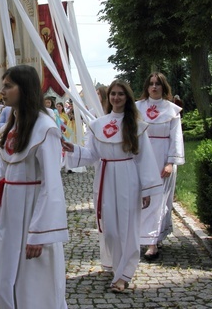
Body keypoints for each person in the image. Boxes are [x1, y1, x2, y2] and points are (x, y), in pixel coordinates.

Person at [0, 65, 69, 308]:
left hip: (32, 216)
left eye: (9, 85)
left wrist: (39, 233)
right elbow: (5, 171)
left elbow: (52, 186)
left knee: (34, 282)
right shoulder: (13, 125)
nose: (3, 90)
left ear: (26, 89)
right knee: (3, 278)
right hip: (9, 213)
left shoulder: (45, 128)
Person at [62, 80, 162, 292]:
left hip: (128, 178)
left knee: (126, 227)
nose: (116, 98)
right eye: (113, 94)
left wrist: (147, 189)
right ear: (108, 98)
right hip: (105, 178)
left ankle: (123, 275)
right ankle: (116, 265)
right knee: (110, 230)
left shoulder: (136, 125)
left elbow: (144, 158)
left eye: (120, 94)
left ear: (127, 98)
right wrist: (73, 149)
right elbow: (92, 155)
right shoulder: (98, 124)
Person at [136, 73, 184, 260]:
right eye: (151, 84)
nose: (154, 87)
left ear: (164, 87)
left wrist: (171, 162)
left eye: (158, 84)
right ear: (147, 87)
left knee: (158, 201)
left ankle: (153, 242)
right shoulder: (136, 108)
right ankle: (139, 236)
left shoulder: (171, 110)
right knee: (141, 199)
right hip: (141, 158)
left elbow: (176, 138)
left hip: (162, 158)